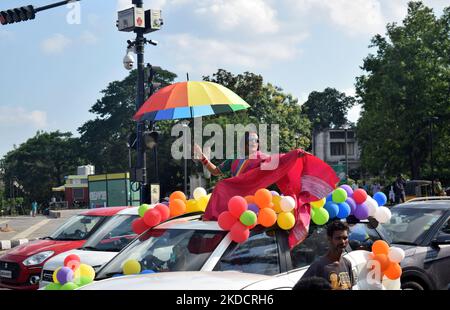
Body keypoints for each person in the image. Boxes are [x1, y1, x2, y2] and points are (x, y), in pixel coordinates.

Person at [298, 220, 355, 290]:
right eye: (338, 238)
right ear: (329, 239)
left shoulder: (347, 263)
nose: (343, 242)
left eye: (345, 238)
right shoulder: (318, 266)